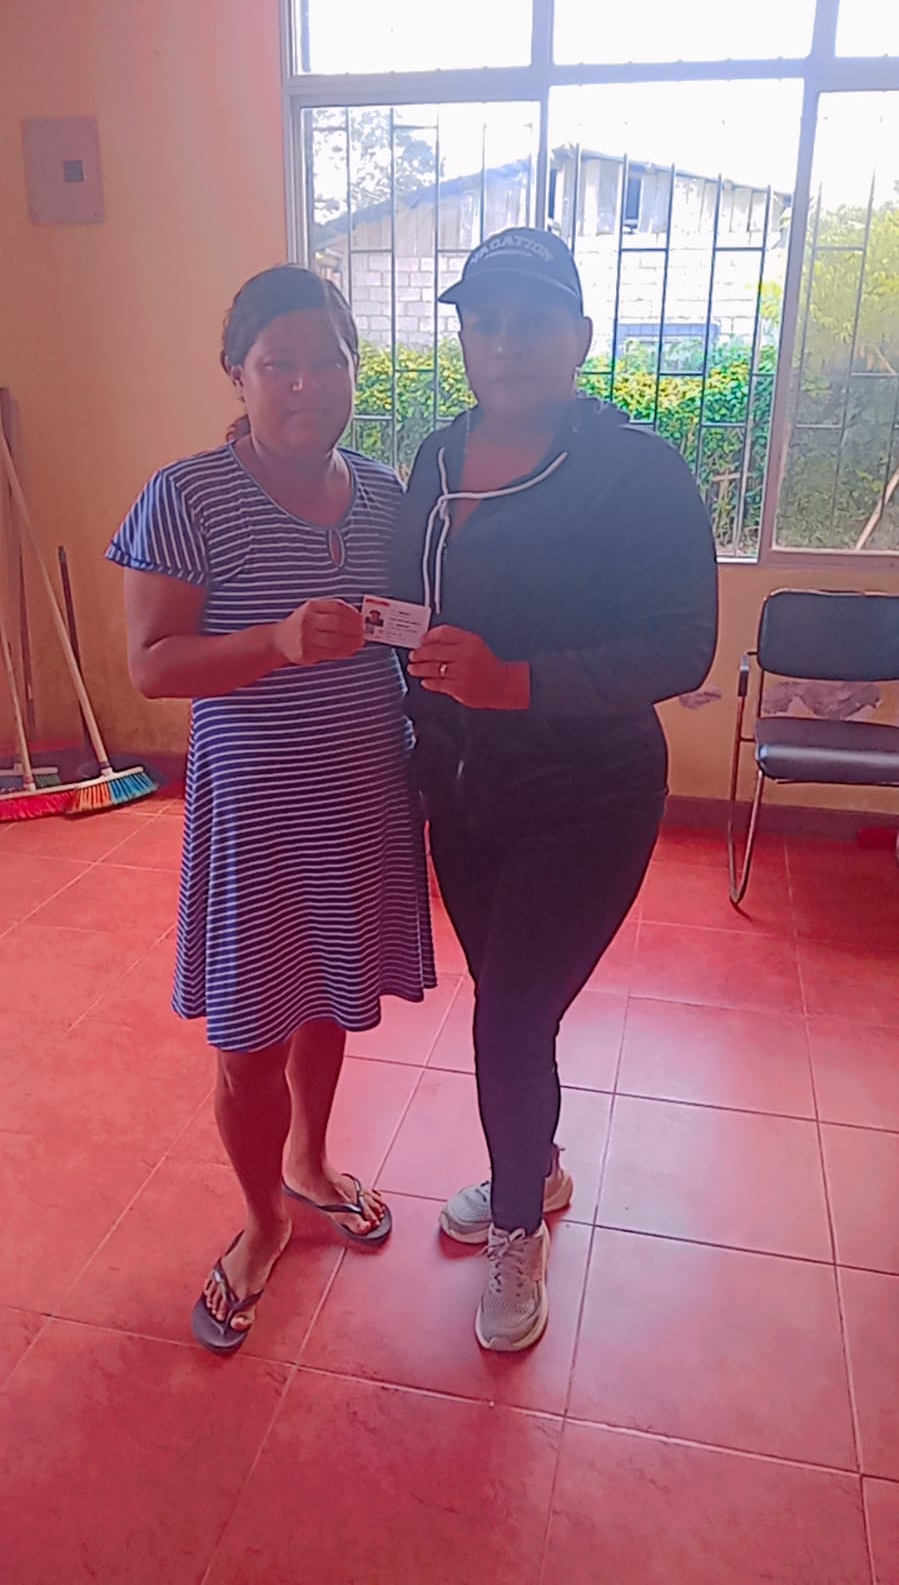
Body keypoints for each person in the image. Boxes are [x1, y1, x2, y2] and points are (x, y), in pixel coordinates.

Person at [393, 227, 718, 1353]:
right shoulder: (436, 454)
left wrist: (514, 680)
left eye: (532, 319)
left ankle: (516, 1225)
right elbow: (416, 598)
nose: (505, 340)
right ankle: (535, 1164)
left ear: (579, 336)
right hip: (461, 790)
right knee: (512, 1007)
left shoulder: (636, 467)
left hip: (587, 794)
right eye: (482, 320)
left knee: (511, 1016)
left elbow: (678, 645)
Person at [108, 265, 435, 1354]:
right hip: (257, 812)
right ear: (236, 373)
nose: (304, 384)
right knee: (251, 1038)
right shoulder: (188, 497)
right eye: (277, 363)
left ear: (354, 369)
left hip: (365, 799)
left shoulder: (384, 495)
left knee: (331, 1001)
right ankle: (261, 1220)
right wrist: (274, 642)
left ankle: (310, 1163)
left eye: (326, 361)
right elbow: (152, 665)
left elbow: (406, 628)